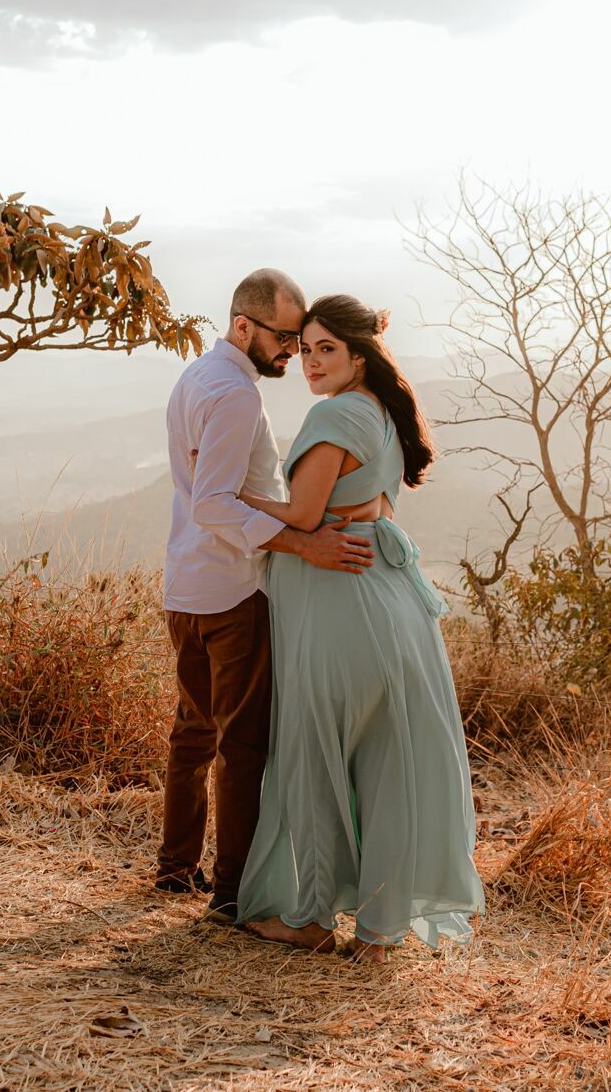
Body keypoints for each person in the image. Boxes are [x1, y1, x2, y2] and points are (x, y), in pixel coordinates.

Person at [233, 294, 486, 962]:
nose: (312, 363)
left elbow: (306, 514)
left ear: (359, 355)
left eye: (327, 350)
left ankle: (312, 918)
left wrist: (230, 496)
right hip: (392, 611)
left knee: (315, 761)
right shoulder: (378, 413)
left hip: (342, 613)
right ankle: (377, 932)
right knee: (386, 769)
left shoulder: (336, 413)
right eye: (307, 349)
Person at [159, 270, 375, 924]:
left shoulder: (195, 377)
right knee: (243, 745)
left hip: (184, 585)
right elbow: (217, 504)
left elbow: (200, 494)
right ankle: (233, 894)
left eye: (300, 338)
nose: (292, 351)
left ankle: (174, 868)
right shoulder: (238, 397)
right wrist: (306, 545)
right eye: (283, 337)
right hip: (231, 591)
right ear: (244, 326)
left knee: (192, 733)